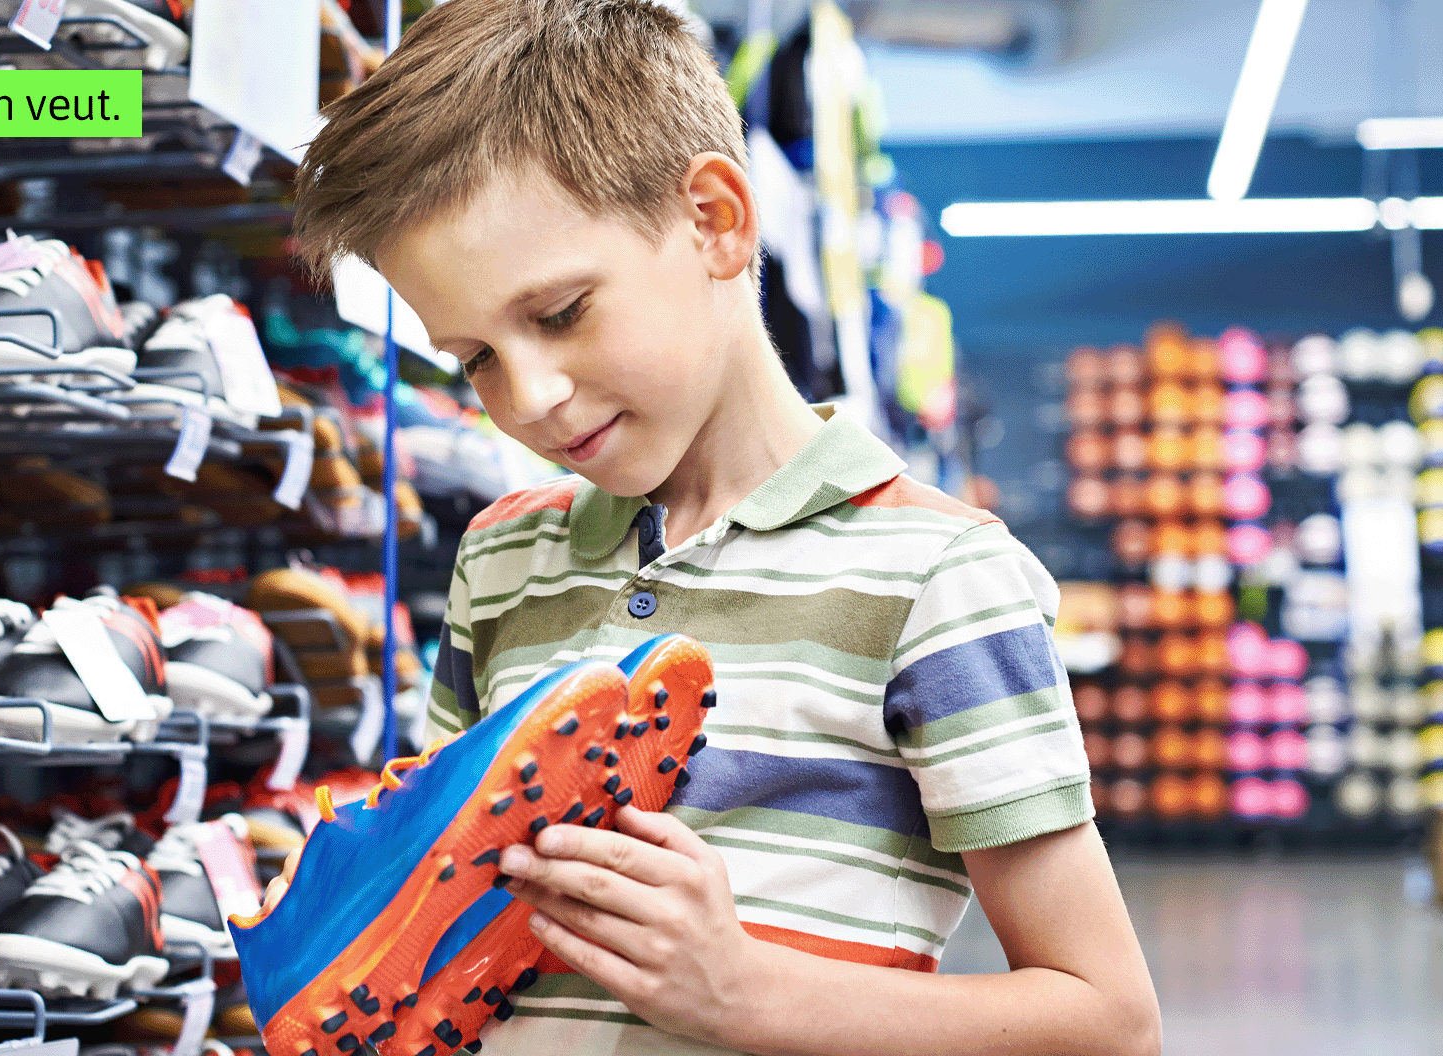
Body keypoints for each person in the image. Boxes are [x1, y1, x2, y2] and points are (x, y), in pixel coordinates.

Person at [269, 1, 1162, 1053]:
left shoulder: (938, 578)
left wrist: (748, 994)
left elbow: (1108, 1022)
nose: (532, 397)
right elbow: (452, 909)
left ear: (715, 221)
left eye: (559, 314)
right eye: (475, 357)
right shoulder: (501, 560)